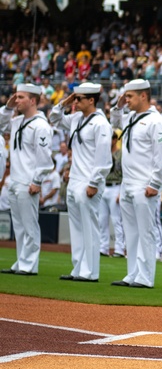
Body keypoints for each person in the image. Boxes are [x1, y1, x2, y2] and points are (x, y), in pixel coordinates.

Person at [48, 83, 112, 282]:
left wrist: (94, 182)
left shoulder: (100, 123)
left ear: (91, 100)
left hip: (88, 181)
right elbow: (54, 119)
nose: (75, 102)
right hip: (75, 179)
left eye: (79, 99)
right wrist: (64, 103)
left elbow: (103, 158)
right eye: (75, 98)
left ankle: (90, 272)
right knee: (76, 227)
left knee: (90, 227)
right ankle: (78, 268)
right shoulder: (76, 118)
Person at [110, 79, 162, 288]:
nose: (126, 100)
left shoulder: (156, 121)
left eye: (130, 96)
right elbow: (115, 122)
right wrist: (118, 105)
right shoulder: (131, 117)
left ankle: (145, 277)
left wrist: (155, 183)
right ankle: (132, 273)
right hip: (127, 182)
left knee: (146, 231)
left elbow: (161, 157)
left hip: (145, 184)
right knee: (130, 231)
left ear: (143, 96)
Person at [0, 83, 55, 275]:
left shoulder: (41, 126)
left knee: (30, 224)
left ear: (33, 100)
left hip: (28, 181)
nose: (16, 100)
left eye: (21, 97)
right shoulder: (17, 121)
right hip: (15, 180)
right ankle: (21, 261)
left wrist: (37, 181)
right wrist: (7, 107)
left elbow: (45, 159)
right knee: (19, 226)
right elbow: (0, 123)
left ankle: (30, 264)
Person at [99, 132, 124, 257]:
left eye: (111, 138)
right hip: (104, 185)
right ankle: (103, 247)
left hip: (116, 185)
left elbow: (125, 173)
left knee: (116, 220)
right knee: (102, 220)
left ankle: (119, 249)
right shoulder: (103, 153)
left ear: (115, 139)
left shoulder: (121, 154)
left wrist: (121, 192)